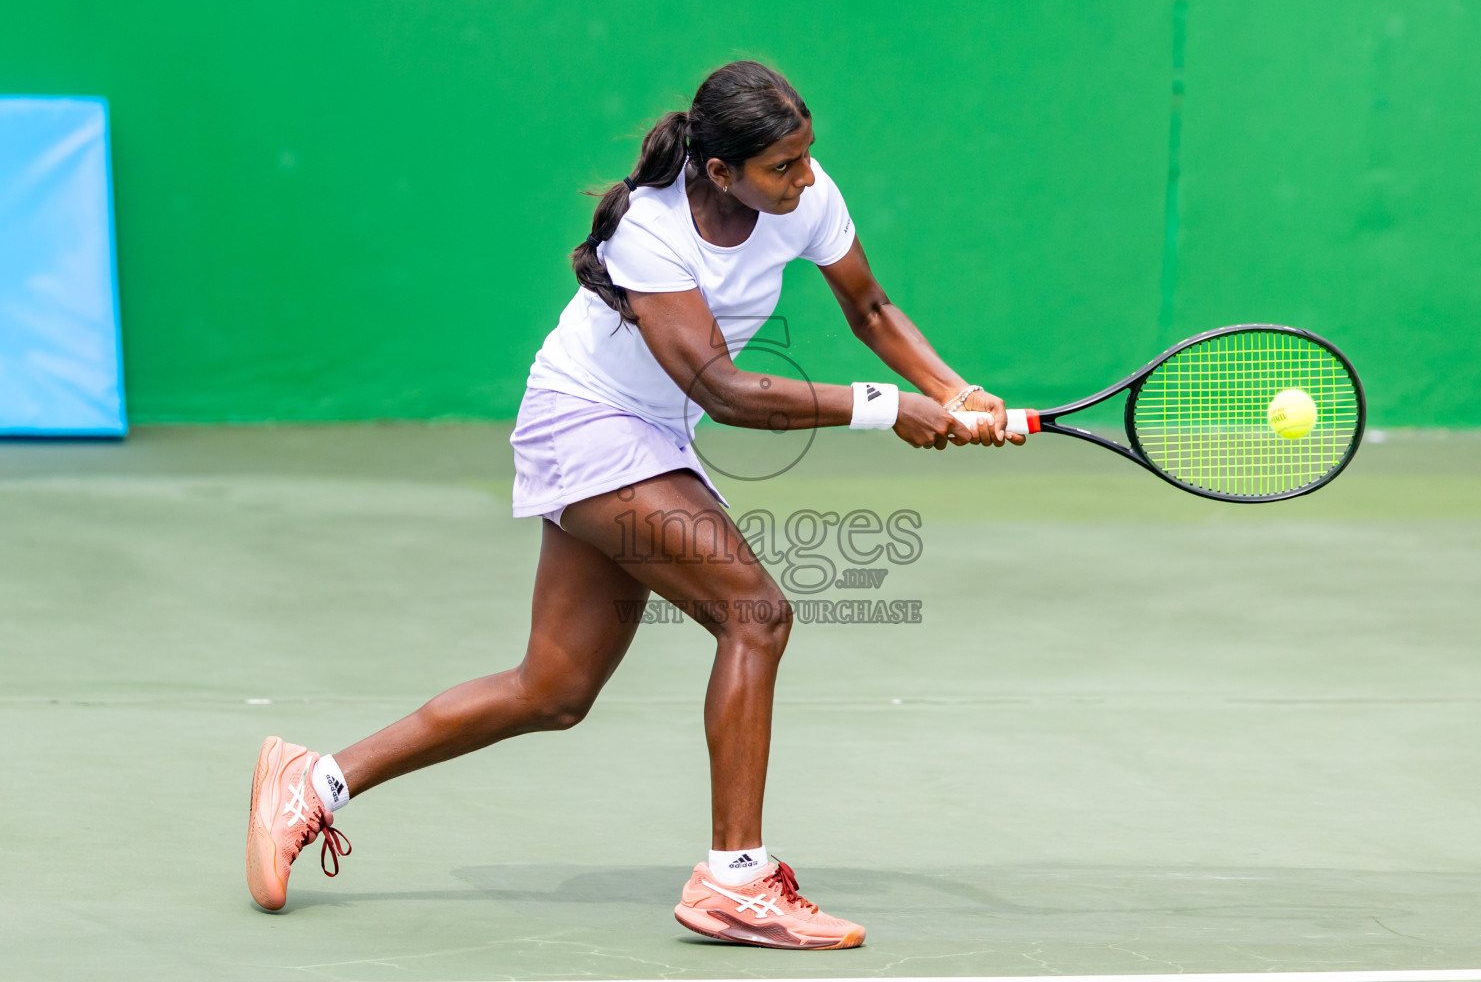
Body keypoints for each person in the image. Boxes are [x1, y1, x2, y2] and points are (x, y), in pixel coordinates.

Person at [245, 59, 1023, 950]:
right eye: (784, 167)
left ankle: (312, 782)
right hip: (586, 422)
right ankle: (737, 880)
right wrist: (887, 408)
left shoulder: (802, 194)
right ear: (720, 171)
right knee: (755, 613)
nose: (806, 178)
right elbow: (723, 390)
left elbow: (872, 307)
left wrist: (955, 391)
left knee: (554, 689)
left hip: (653, 432)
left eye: (808, 158)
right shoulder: (650, 233)